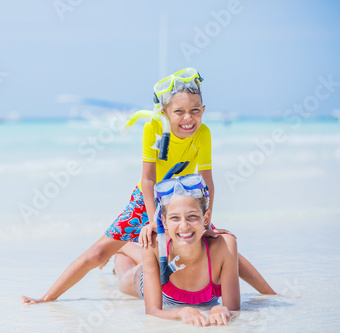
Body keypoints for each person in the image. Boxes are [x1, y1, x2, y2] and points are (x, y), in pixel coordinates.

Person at [21, 68, 274, 305]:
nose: (188, 118)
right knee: (98, 253)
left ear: (204, 110)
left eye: (195, 111)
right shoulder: (153, 127)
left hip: (182, 200)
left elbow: (207, 180)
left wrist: (207, 220)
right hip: (147, 198)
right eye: (179, 112)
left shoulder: (203, 133)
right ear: (165, 113)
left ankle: (272, 295)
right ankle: (46, 298)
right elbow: (148, 179)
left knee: (221, 245)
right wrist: (153, 220)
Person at [114, 173, 239, 327]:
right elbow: (152, 310)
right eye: (174, 218)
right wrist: (181, 312)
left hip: (166, 259)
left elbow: (234, 308)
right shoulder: (154, 246)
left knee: (148, 258)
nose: (184, 225)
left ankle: (125, 248)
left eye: (192, 216)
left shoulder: (225, 245)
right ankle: (121, 247)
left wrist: (221, 309)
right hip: (147, 278)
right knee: (124, 275)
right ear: (164, 223)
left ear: (206, 218)